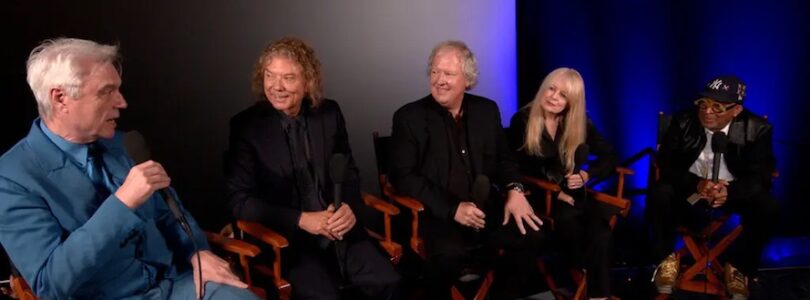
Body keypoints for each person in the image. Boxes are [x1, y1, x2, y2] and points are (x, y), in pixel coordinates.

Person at [0, 38, 257, 299]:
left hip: (176, 285)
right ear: (60, 98)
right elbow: (50, 283)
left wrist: (197, 251)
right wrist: (123, 202)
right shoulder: (11, 178)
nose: (121, 103)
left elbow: (171, 212)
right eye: (106, 92)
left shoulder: (124, 145)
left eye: (118, 90)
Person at [224, 37, 399, 299]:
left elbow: (348, 173)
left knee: (391, 282)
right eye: (270, 76)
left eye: (288, 78)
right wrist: (301, 220)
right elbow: (239, 202)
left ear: (308, 82)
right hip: (288, 241)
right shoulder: (246, 127)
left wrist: (348, 209)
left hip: (339, 230)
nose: (276, 87)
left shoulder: (329, 113)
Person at [389, 40, 545, 299]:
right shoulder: (408, 118)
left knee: (533, 235)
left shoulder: (487, 110)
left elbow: (506, 160)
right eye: (435, 72)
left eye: (448, 74)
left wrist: (516, 191)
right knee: (448, 256)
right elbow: (403, 176)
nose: (439, 80)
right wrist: (453, 209)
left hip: (485, 208)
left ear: (468, 80)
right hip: (437, 214)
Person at [647, 75, 779, 299]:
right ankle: (664, 261)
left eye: (717, 107)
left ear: (735, 110)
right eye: (703, 104)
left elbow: (762, 175)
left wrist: (731, 191)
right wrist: (695, 184)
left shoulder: (757, 129)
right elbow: (666, 165)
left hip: (732, 192)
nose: (707, 112)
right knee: (660, 193)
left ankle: (740, 268)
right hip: (690, 191)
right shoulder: (682, 122)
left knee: (768, 207)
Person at [508, 67, 619, 300]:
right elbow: (517, 170)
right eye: (551, 88)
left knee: (602, 231)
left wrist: (588, 175)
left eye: (563, 95)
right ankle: (579, 274)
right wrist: (556, 193)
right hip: (538, 196)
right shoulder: (523, 119)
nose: (553, 97)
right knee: (568, 220)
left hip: (574, 195)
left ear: (572, 102)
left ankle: (597, 295)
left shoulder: (580, 122)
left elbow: (610, 156)